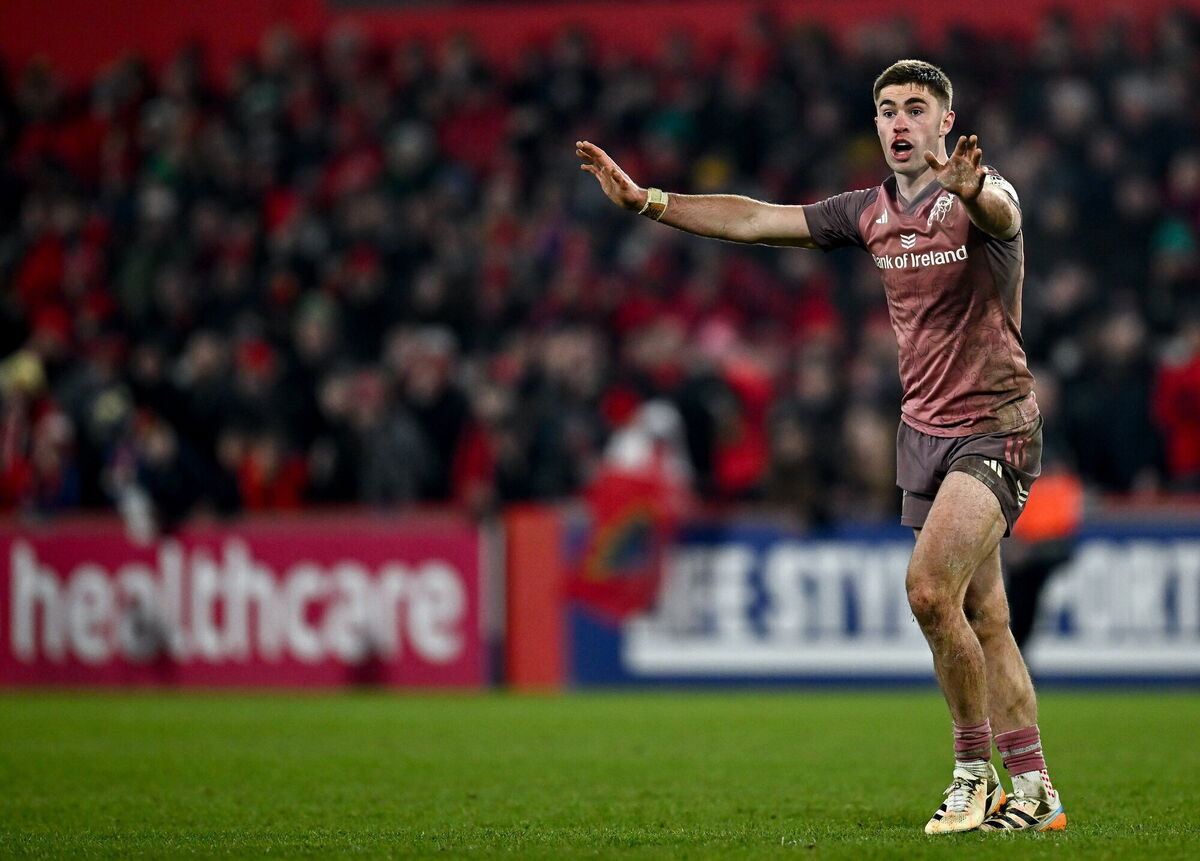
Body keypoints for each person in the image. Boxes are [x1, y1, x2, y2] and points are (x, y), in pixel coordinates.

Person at [576, 59, 1065, 835]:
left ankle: (972, 773)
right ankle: (1035, 789)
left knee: (930, 591)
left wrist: (972, 188)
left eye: (915, 109)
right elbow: (755, 219)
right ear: (876, 126)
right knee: (987, 615)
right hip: (923, 432)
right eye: (887, 110)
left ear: (945, 122)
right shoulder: (864, 212)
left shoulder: (977, 196)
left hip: (995, 426)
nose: (900, 123)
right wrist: (648, 201)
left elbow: (1004, 212)